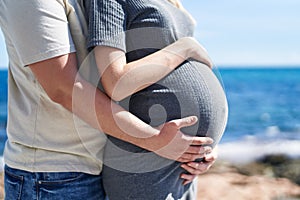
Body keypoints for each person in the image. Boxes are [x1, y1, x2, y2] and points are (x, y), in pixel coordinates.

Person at [0, 0, 217, 199]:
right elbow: (63, 88)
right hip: (54, 174)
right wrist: (154, 140)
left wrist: (199, 147)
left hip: (105, 160)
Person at [85, 0, 228, 199]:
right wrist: (185, 48)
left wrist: (209, 148)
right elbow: (116, 83)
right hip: (146, 160)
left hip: (184, 166)